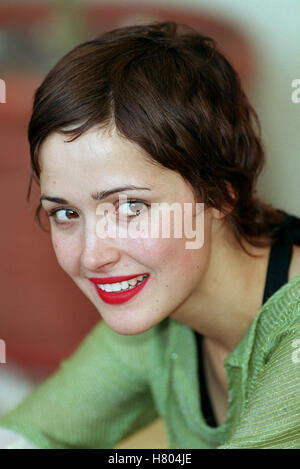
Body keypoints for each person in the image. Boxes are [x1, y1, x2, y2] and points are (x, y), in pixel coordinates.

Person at [0, 21, 299, 449]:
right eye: (65, 212)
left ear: (219, 194)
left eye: (129, 207)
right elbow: (29, 433)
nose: (92, 255)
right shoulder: (163, 314)